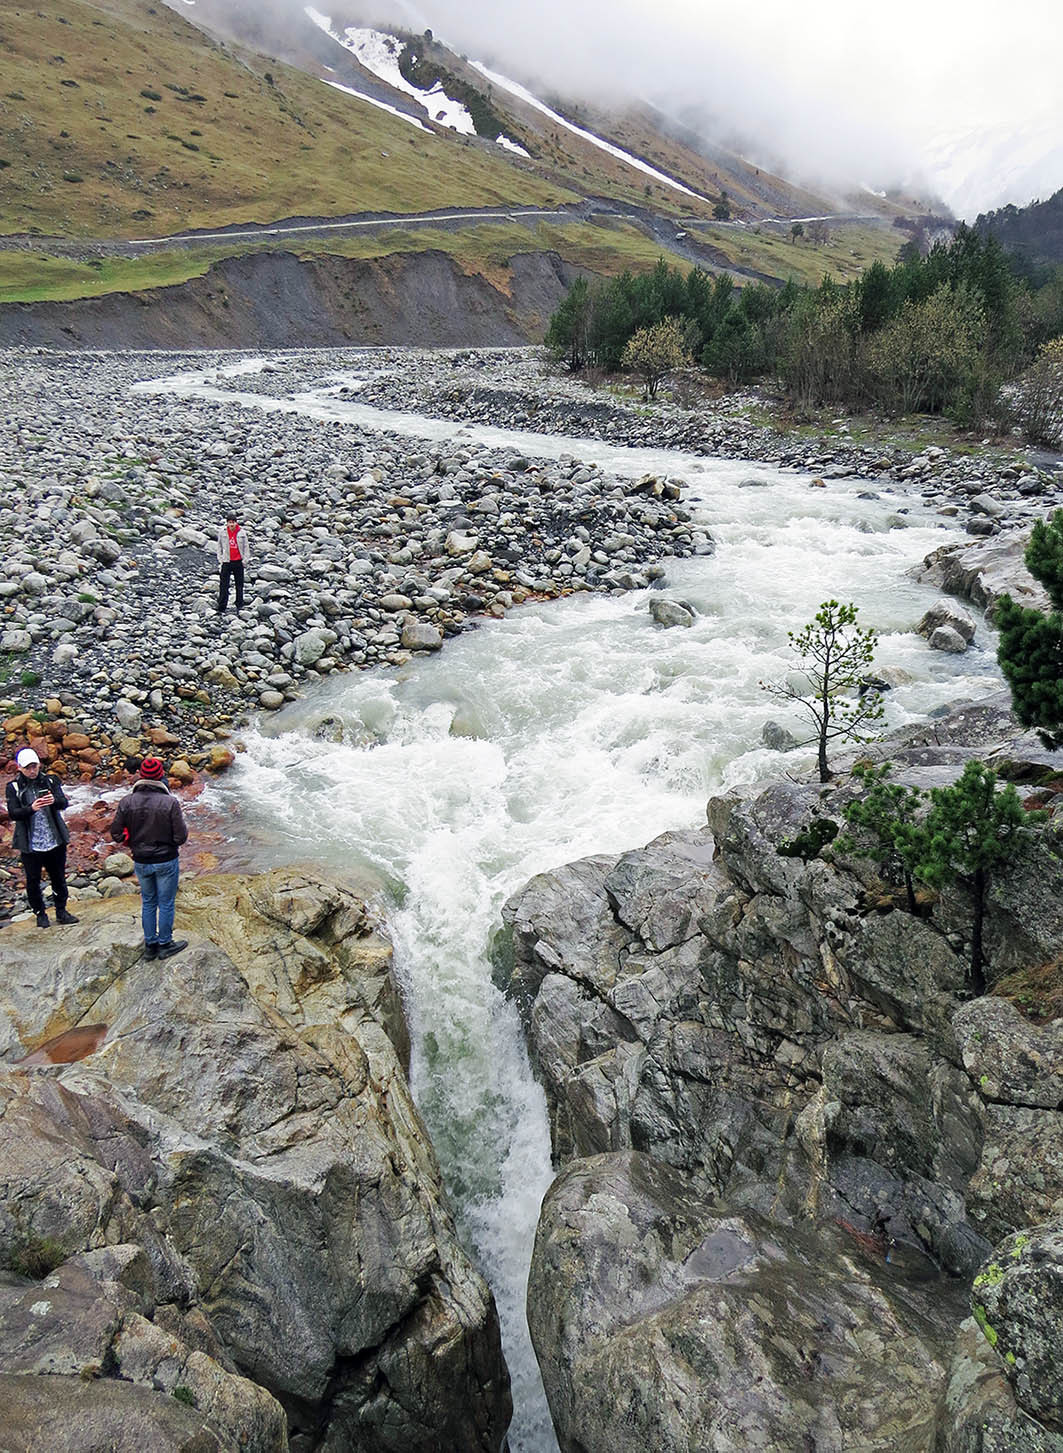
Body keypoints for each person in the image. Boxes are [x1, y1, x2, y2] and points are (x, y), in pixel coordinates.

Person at [110, 757, 188, 960]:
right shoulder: (170, 802)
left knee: (148, 902)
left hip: (141, 861)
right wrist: (168, 842)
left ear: (141, 775)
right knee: (166, 903)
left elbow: (116, 834)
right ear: (160, 775)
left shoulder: (127, 801)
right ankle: (165, 944)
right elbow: (181, 837)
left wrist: (132, 842)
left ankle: (150, 945)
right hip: (166, 860)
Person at [5, 747, 79, 928]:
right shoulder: (13, 787)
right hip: (30, 844)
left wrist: (54, 800)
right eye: (28, 768)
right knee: (33, 881)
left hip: (54, 840)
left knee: (59, 877)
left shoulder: (51, 780)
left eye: (34, 766)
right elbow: (14, 813)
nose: (32, 771)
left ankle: (61, 910)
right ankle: (40, 914)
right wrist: (32, 808)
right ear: (20, 768)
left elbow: (64, 803)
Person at [217, 513, 250, 614]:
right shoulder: (222, 532)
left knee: (239, 585)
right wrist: (220, 559)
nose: (231, 524)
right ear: (227, 523)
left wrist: (245, 560)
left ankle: (239, 605)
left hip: (238, 562)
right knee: (223, 585)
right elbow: (219, 547)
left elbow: (246, 547)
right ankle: (222, 606)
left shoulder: (242, 533)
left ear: (236, 523)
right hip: (226, 561)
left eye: (233, 522)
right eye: (230, 522)